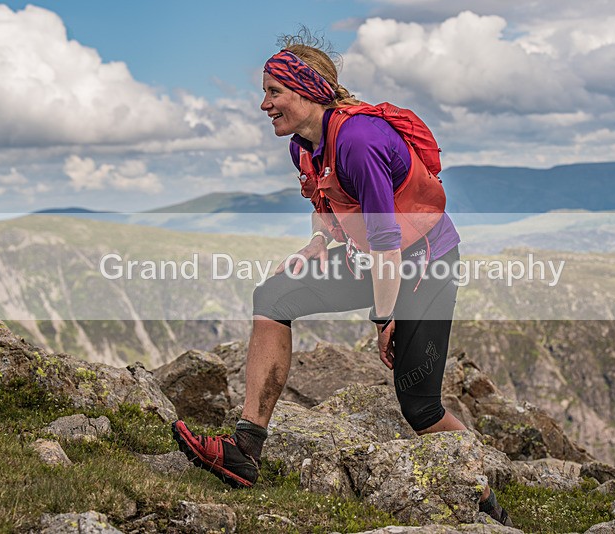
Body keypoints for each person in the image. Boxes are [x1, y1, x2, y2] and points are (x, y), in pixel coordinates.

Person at [172, 34, 512, 526]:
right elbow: (324, 205)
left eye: (273, 92)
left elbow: (386, 236)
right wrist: (316, 245)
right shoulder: (303, 146)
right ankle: (244, 448)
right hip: (375, 259)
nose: (263, 104)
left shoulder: (359, 140)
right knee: (273, 296)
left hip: (422, 264)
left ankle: (487, 505)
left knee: (420, 406)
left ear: (306, 89)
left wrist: (384, 317)